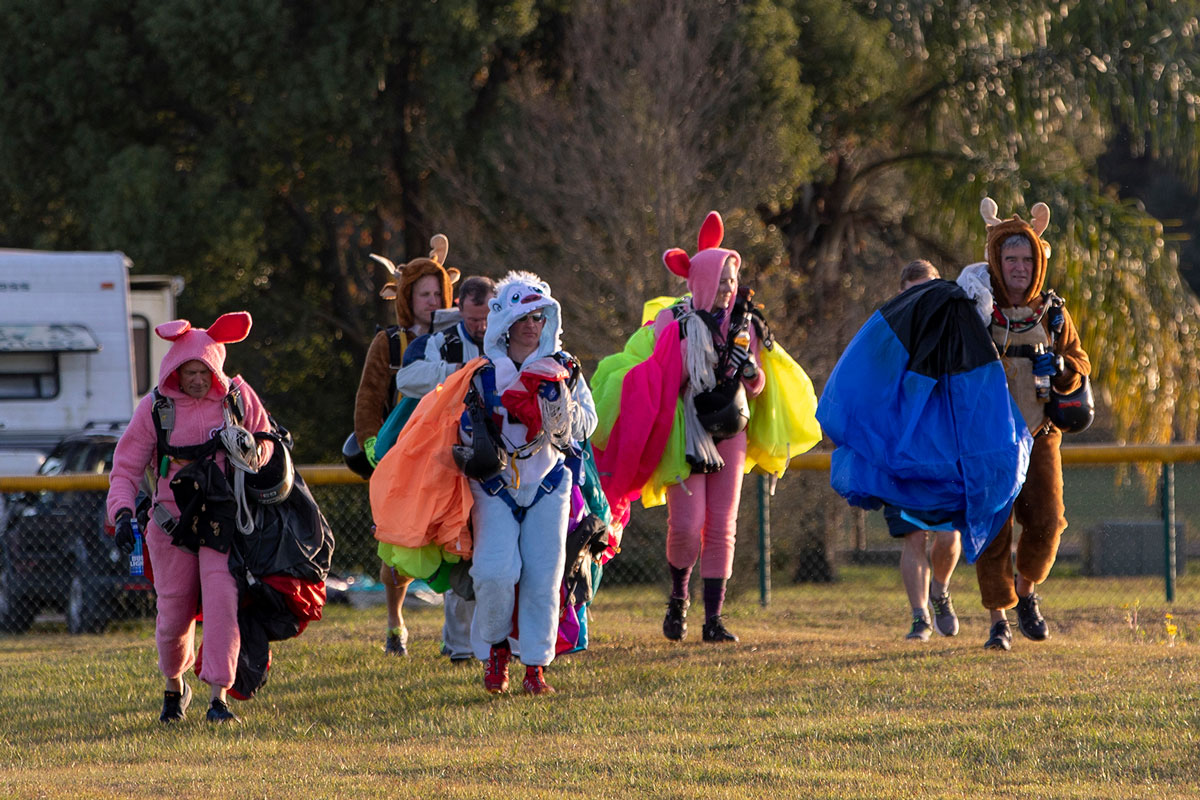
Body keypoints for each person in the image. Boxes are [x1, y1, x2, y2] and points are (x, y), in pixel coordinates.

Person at [106, 312, 272, 723]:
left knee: (222, 602)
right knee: (174, 611)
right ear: (174, 370)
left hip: (222, 520)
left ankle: (219, 697)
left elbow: (267, 443)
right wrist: (122, 513)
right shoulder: (155, 408)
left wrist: (250, 449)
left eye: (204, 371)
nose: (197, 379)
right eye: (189, 371)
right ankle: (173, 686)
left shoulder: (237, 397)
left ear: (216, 368)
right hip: (170, 523)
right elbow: (125, 468)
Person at [464, 271, 597, 695]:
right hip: (495, 486)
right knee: (492, 573)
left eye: (538, 316)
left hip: (549, 483)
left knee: (543, 577)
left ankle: (536, 667)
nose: (531, 324)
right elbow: (457, 427)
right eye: (523, 316)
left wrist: (560, 412)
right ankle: (497, 651)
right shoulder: (482, 373)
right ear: (505, 321)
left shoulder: (565, 368)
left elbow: (588, 422)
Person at [970, 198, 1091, 651]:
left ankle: (1025, 593)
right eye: (1010, 258)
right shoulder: (977, 308)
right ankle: (998, 620)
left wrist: (1063, 368)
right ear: (996, 261)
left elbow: (1081, 361)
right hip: (987, 439)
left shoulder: (1053, 314)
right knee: (993, 529)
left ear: (1038, 262)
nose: (1018, 267)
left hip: (1040, 432)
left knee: (1047, 521)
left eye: (1026, 259)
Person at [354, 235, 459, 656]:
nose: (432, 302)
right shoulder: (390, 343)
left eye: (438, 293)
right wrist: (371, 444)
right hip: (402, 453)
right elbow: (368, 398)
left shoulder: (462, 337)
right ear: (406, 298)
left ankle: (460, 634)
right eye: (423, 294)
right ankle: (395, 621)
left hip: (449, 454)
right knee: (400, 544)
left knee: (455, 538)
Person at [393, 274, 495, 663]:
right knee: (459, 547)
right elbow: (407, 379)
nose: (480, 326)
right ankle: (460, 646)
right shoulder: (441, 341)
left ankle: (499, 642)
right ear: (460, 311)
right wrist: (461, 371)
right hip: (452, 460)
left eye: (486, 318)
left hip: (502, 460)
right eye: (472, 319)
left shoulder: (514, 337)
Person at [887, 260, 962, 641]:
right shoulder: (887, 335)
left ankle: (941, 592)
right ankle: (920, 617)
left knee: (949, 536)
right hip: (904, 449)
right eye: (915, 291)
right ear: (902, 294)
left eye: (930, 290)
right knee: (914, 537)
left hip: (947, 448)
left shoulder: (957, 333)